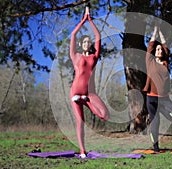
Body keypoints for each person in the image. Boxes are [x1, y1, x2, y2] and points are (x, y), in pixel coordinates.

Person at [70, 4, 109, 158]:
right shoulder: (75, 56)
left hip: (88, 94)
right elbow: (73, 35)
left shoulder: (94, 57)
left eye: (88, 42)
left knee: (104, 115)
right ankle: (82, 151)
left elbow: (98, 36)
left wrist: (90, 20)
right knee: (80, 123)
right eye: (84, 42)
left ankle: (86, 101)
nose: (87, 43)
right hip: (75, 94)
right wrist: (82, 21)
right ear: (81, 45)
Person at [143, 25, 172, 153]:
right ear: (154, 52)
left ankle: (163, 111)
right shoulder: (150, 61)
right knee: (155, 123)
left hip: (164, 99)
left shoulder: (165, 63)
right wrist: (154, 32)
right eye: (157, 49)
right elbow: (150, 46)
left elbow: (165, 46)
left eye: (161, 50)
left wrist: (161, 33)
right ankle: (156, 148)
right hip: (151, 98)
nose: (159, 51)